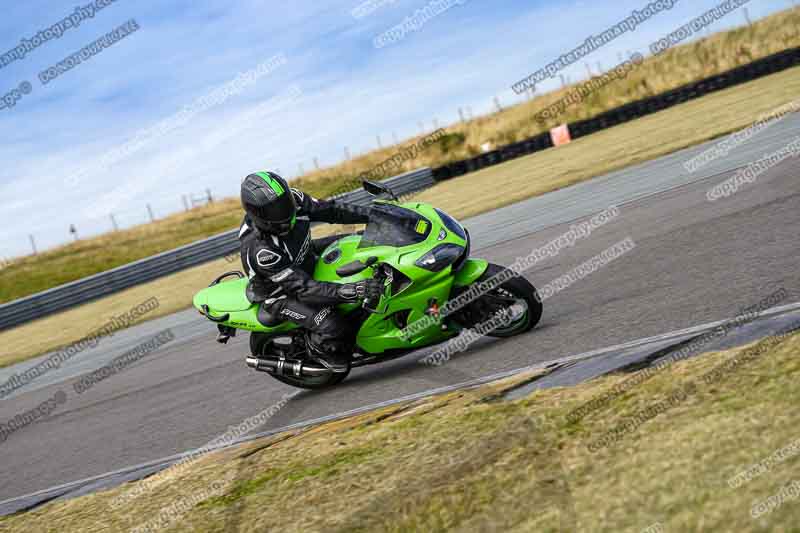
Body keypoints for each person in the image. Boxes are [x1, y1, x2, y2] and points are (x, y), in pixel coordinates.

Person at [238, 171, 382, 372]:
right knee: (336, 326)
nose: (284, 211)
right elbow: (304, 289)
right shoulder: (262, 251)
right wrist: (354, 289)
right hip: (282, 293)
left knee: (363, 241)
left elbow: (333, 210)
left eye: (284, 202)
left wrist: (374, 216)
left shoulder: (295, 200)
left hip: (305, 254)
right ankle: (321, 352)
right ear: (257, 214)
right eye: (274, 210)